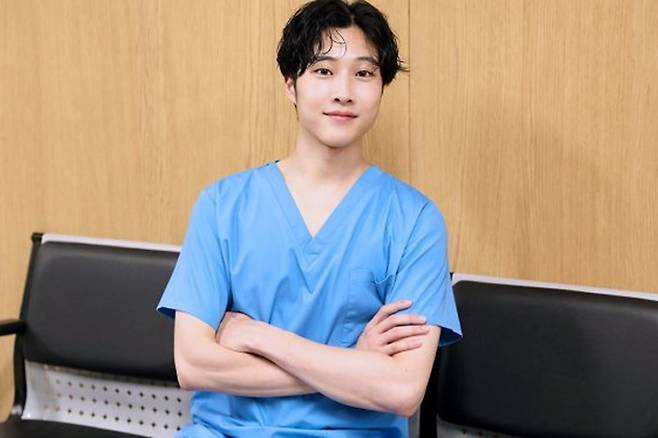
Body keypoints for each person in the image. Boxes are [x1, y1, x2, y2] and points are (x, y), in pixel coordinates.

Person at [156, 0, 462, 436]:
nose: (344, 91)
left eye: (364, 73)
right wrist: (353, 364)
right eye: (323, 71)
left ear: (381, 87)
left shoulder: (416, 221)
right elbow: (193, 365)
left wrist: (261, 337)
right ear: (290, 85)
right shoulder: (222, 205)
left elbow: (401, 389)